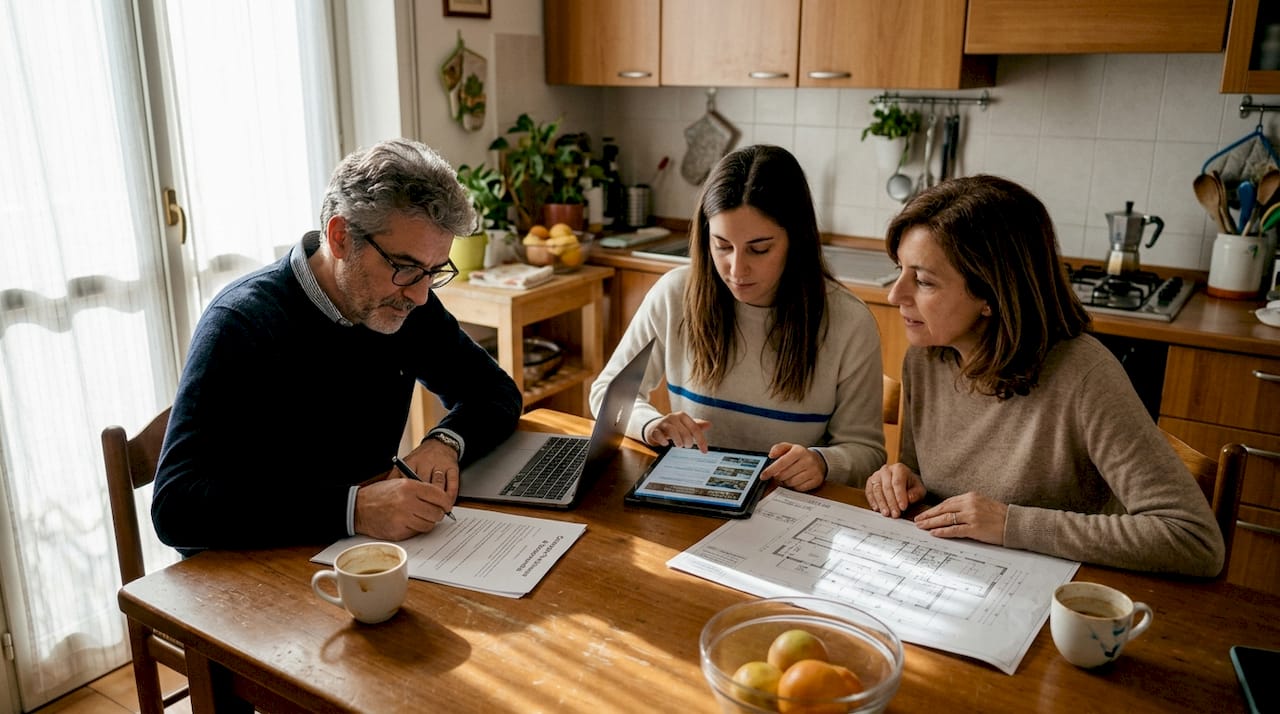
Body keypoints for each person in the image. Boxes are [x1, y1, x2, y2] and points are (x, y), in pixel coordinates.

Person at [152, 139, 523, 553]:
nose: (420, 296)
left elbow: (495, 392)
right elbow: (175, 507)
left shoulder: (406, 302)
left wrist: (445, 441)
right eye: (405, 267)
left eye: (435, 272)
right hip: (247, 571)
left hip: (355, 552)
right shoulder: (241, 323)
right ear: (341, 237)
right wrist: (355, 509)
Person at [864, 174, 1224, 576]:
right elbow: (924, 480)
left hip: (1055, 599)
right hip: (954, 577)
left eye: (924, 281)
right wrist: (901, 480)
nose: (895, 295)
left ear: (991, 294)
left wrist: (1010, 524)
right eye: (899, 269)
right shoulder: (926, 358)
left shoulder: (1085, 376)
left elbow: (1194, 539)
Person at [591, 145, 885, 491]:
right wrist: (650, 425)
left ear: (796, 239)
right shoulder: (674, 295)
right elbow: (605, 395)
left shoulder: (849, 323)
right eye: (722, 245)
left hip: (790, 511)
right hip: (693, 498)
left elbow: (867, 453)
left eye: (760, 249)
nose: (736, 269)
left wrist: (823, 462)